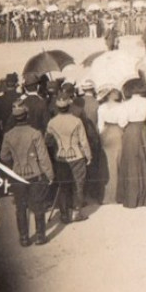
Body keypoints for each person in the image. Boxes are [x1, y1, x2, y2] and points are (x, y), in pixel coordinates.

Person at [0, 101, 54, 246]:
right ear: (27, 115)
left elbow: (4, 156)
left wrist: (15, 163)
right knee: (38, 205)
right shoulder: (35, 133)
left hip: (17, 175)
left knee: (20, 207)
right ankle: (40, 236)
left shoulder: (8, 135)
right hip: (35, 174)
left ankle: (24, 238)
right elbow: (43, 157)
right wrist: (49, 175)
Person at [45, 93, 92, 223]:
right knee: (78, 184)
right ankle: (76, 213)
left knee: (63, 185)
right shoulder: (77, 121)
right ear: (69, 105)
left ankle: (64, 214)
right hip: (77, 156)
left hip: (60, 157)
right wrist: (88, 156)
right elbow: (83, 141)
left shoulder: (52, 122)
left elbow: (47, 141)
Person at [116, 78, 146, 208]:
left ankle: (132, 195)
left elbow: (122, 122)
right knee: (145, 159)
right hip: (143, 129)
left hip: (131, 130)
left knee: (131, 161)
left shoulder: (125, 104)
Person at [96, 85, 124, 204]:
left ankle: (108, 195)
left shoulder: (101, 108)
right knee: (119, 161)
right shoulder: (122, 107)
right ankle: (119, 194)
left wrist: (102, 136)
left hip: (106, 132)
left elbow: (100, 126)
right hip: (118, 132)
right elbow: (123, 123)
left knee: (108, 163)